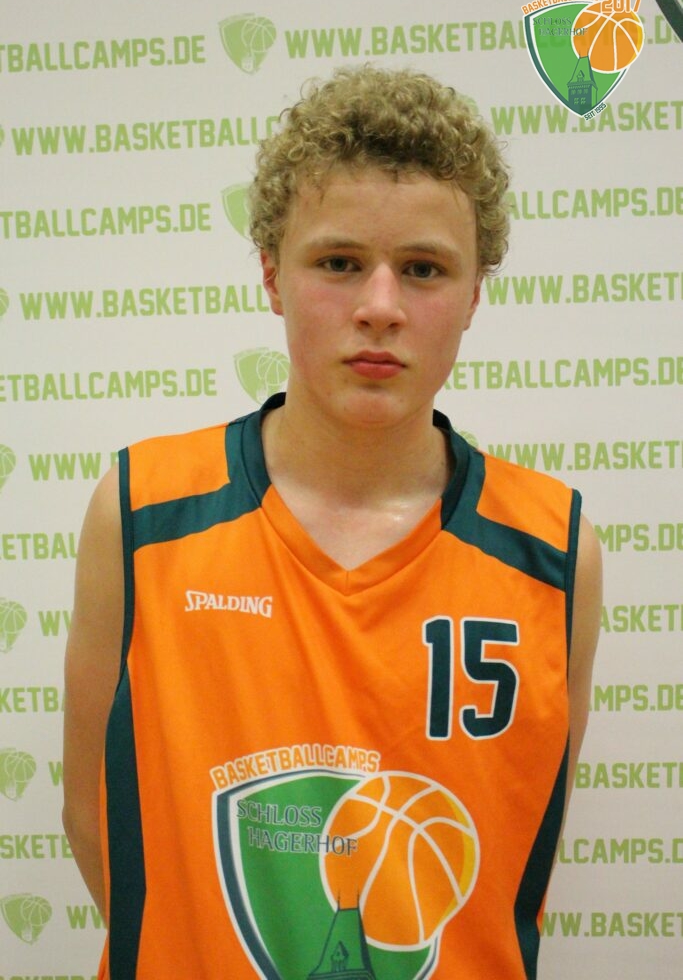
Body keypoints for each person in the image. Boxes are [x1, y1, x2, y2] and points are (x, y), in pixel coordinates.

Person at [63, 65, 602, 980]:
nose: (379, 307)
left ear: (473, 295)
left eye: (423, 270)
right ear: (272, 276)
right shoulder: (144, 510)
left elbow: (523, 839)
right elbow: (94, 817)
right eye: (340, 263)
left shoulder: (551, 549)